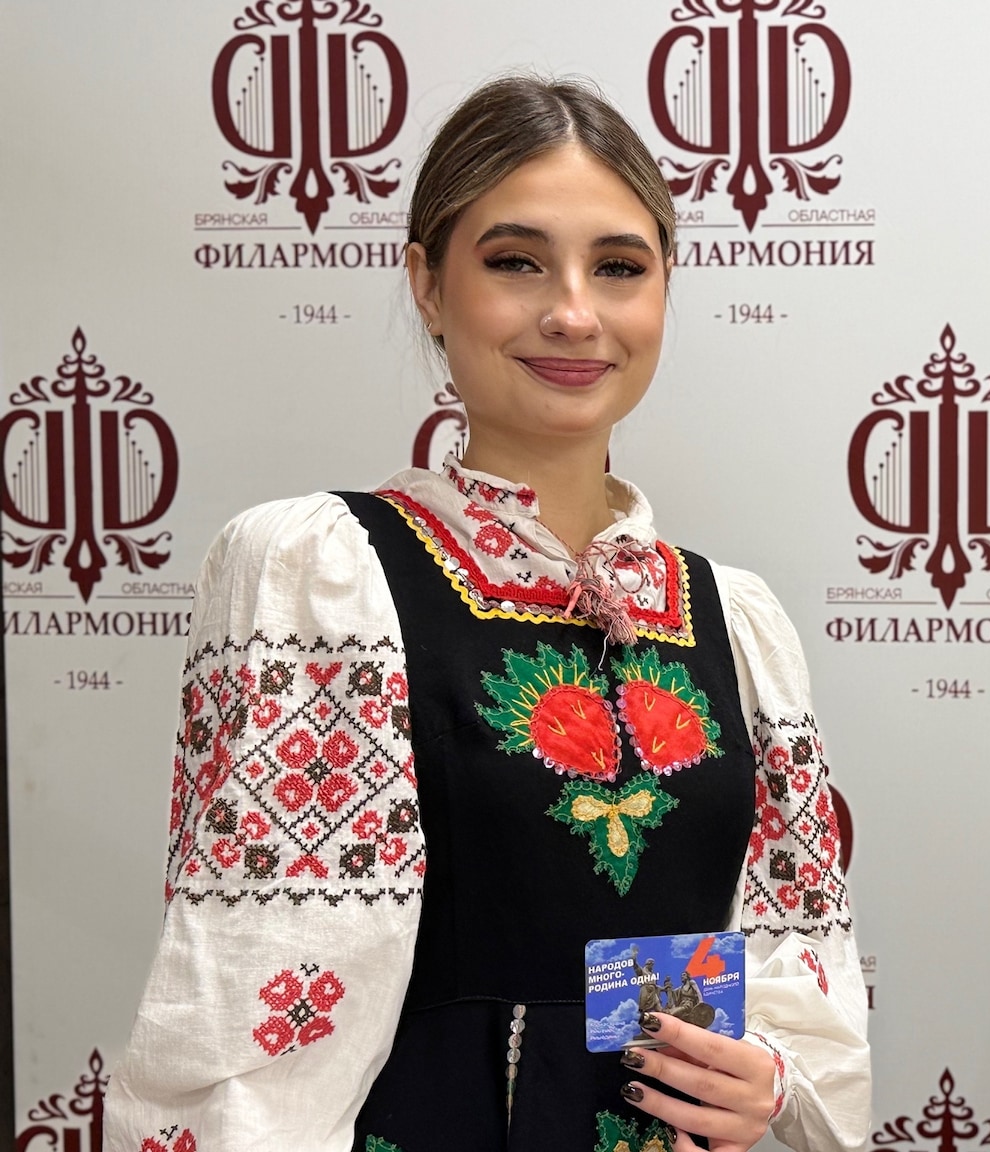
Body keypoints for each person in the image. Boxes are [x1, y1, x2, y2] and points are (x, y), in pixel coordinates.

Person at [104, 76, 870, 1152]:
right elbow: (254, 1008)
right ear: (427, 284)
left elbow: (774, 957)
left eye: (619, 268)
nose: (574, 312)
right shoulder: (328, 574)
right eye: (516, 261)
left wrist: (768, 1078)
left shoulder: (731, 618)